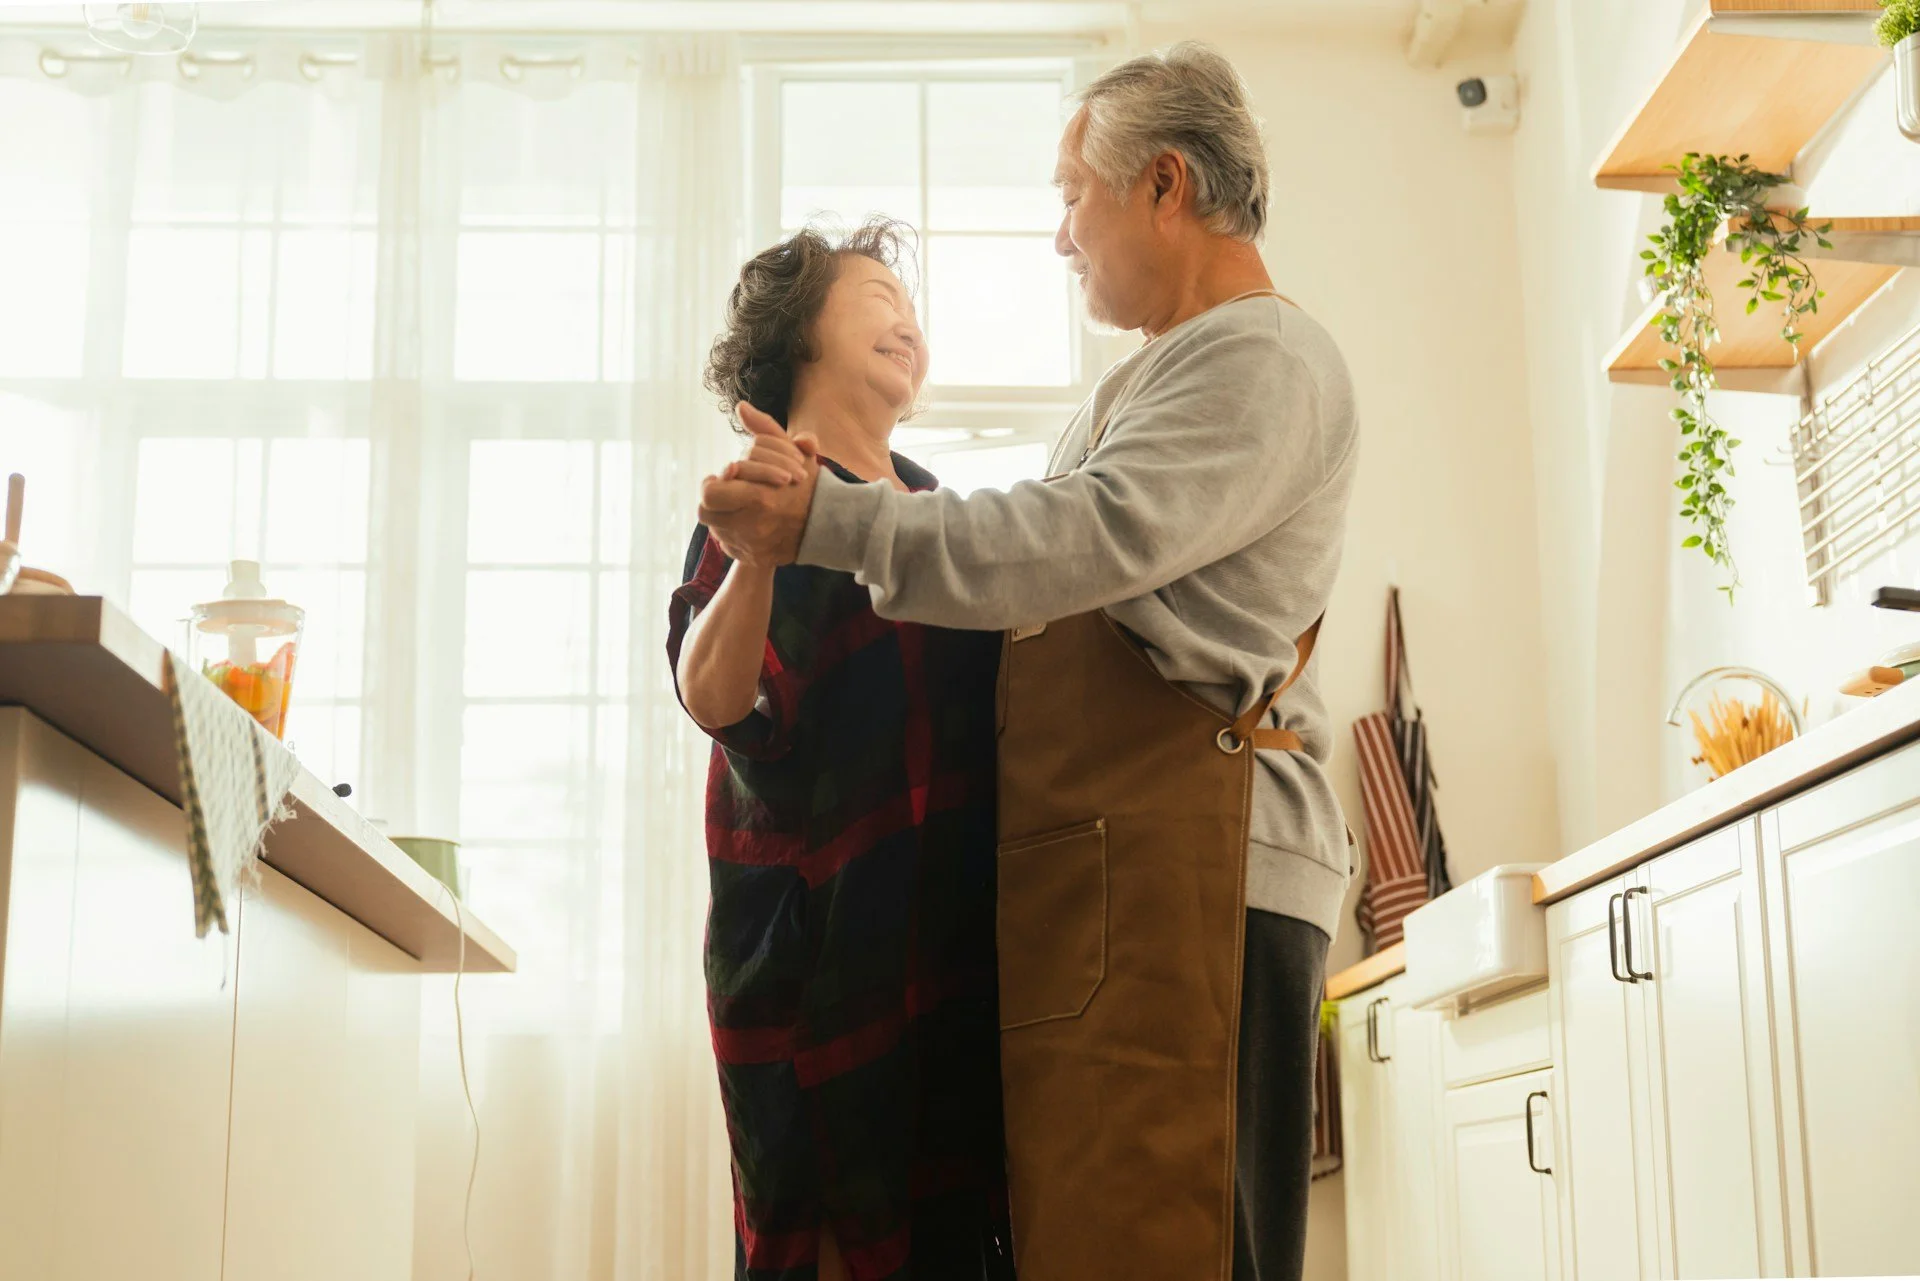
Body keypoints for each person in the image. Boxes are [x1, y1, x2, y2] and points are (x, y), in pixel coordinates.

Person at [696, 43, 1357, 1281]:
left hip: (1203, 869)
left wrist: (826, 523)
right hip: (1136, 873)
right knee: (1121, 1238)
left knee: (1195, 1240)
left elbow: (1082, 538)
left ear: (1164, 185)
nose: (1062, 237)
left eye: (1071, 196)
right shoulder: (1165, 371)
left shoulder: (1258, 357)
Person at [667, 219, 1015, 1281]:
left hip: (951, 956)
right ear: (798, 333)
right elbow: (714, 696)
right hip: (811, 965)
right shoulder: (760, 497)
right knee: (820, 1248)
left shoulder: (938, 515)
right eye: (875, 296)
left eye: (910, 307)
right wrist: (758, 555)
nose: (905, 319)